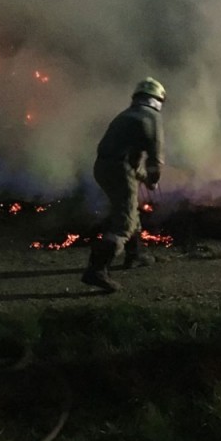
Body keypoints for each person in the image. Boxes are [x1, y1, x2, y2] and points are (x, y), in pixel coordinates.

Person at [81, 77, 166, 292]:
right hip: (119, 171)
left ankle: (135, 254)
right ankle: (96, 270)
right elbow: (155, 159)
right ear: (158, 99)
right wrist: (153, 179)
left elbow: (127, 158)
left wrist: (144, 178)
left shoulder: (126, 115)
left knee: (129, 209)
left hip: (103, 167)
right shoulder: (152, 117)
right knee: (124, 224)